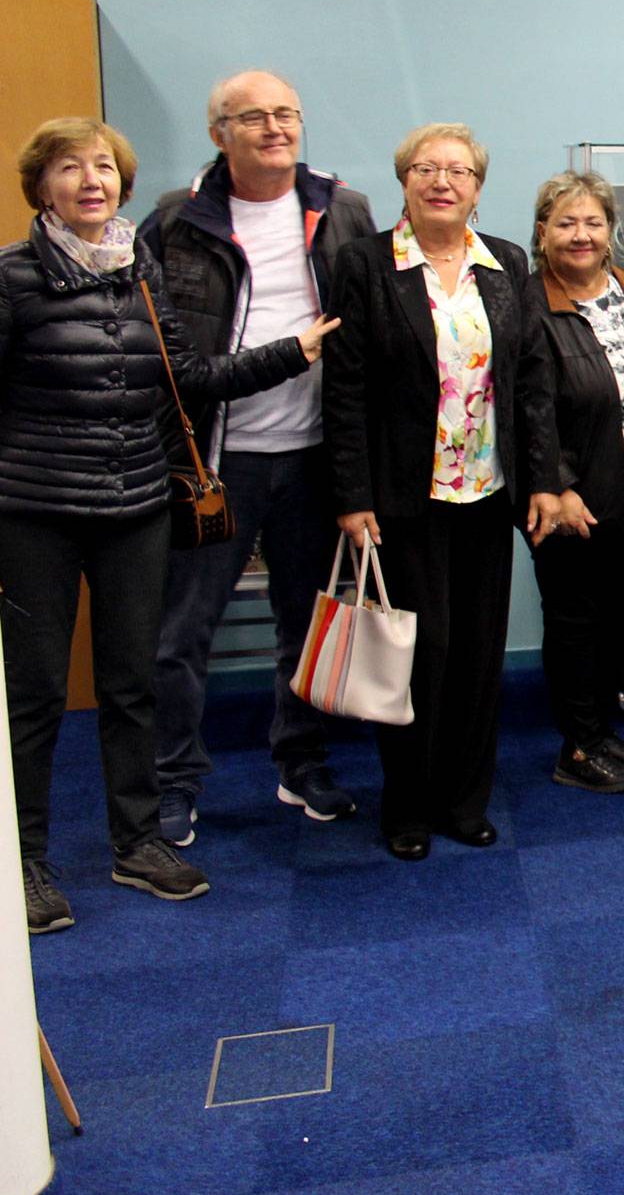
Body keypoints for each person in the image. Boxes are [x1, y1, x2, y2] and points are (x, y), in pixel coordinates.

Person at [7, 119, 331, 933]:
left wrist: (290, 353)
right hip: (36, 513)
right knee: (36, 694)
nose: (91, 181)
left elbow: (188, 375)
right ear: (41, 186)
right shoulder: (13, 277)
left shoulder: (139, 269)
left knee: (132, 684)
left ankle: (137, 840)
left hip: (137, 508)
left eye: (104, 168)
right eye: (70, 168)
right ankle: (24, 860)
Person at [138, 69, 376, 848]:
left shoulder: (343, 209)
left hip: (312, 458)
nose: (276, 129)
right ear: (219, 134)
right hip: (215, 462)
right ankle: (173, 781)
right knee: (182, 635)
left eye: (287, 114)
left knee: (304, 626)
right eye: (254, 118)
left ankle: (300, 762)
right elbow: (160, 351)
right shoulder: (175, 220)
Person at [326, 123, 560, 861]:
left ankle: (465, 800)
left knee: (477, 656)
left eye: (459, 171)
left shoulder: (506, 263)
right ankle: (407, 805)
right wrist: (352, 493)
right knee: (418, 654)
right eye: (426, 168)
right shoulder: (366, 264)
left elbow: (530, 383)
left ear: (477, 189)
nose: (442, 182)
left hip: (488, 493)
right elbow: (344, 387)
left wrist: (544, 481)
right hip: (403, 498)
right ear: (404, 181)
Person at [523, 170, 624, 796]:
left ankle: (600, 730)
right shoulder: (529, 302)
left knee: (621, 613)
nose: (581, 235)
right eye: (566, 223)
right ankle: (577, 747)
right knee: (574, 622)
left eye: (593, 223)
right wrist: (558, 483)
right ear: (543, 232)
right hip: (568, 497)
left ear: (610, 232)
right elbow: (527, 405)